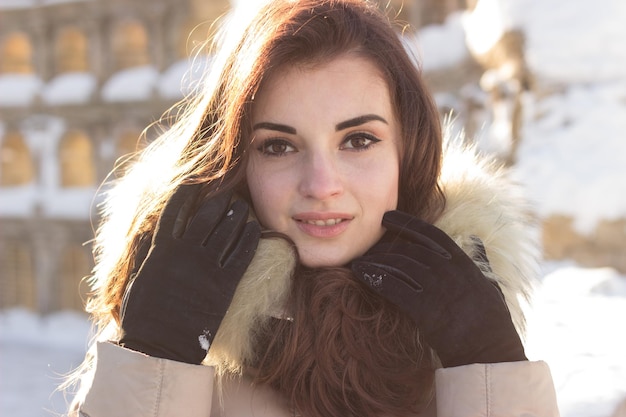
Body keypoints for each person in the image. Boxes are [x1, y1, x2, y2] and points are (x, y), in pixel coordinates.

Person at [65, 0, 560, 416]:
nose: (321, 185)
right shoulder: (174, 325)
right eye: (279, 146)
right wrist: (151, 361)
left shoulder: (465, 327)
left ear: (407, 154)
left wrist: (492, 372)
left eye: (359, 139)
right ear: (236, 162)